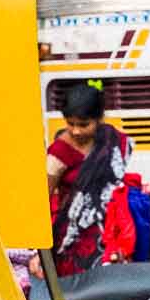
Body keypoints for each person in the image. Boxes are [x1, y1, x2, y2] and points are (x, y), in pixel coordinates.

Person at [46, 82, 136, 277]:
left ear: (99, 119)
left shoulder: (112, 141)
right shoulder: (58, 153)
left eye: (84, 124)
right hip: (72, 243)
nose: (76, 131)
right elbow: (42, 198)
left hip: (112, 234)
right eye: (70, 123)